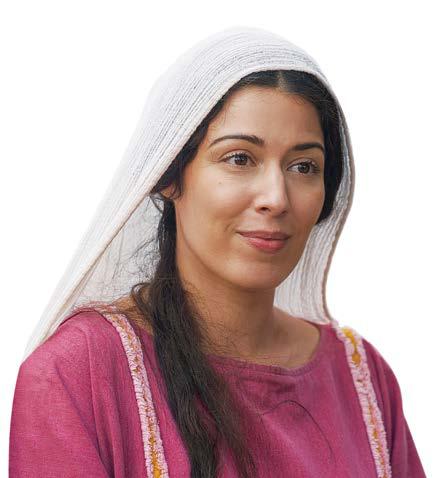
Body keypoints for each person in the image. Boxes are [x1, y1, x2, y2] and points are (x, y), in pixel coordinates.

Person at [9, 26, 426, 477]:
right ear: (169, 175)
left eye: (304, 166)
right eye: (239, 158)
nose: (276, 198)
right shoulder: (79, 374)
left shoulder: (362, 380)